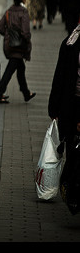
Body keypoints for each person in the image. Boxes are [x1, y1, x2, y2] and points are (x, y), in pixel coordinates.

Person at [48, 24, 80, 185]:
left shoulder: (71, 42)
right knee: (72, 146)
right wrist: (54, 108)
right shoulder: (70, 43)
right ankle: (69, 184)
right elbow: (60, 76)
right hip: (72, 104)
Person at [0, 0, 36, 103]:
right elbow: (25, 31)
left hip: (10, 45)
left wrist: (8, 35)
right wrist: (27, 40)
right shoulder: (23, 12)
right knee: (10, 70)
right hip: (20, 46)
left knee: (20, 69)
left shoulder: (9, 11)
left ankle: (26, 93)